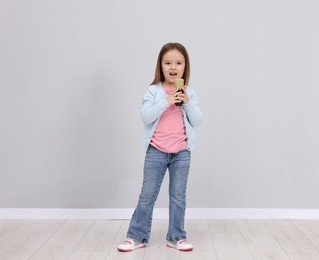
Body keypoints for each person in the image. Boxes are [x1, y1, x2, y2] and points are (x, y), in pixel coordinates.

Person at [117, 42, 202, 252]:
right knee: (147, 195)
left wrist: (187, 101)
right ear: (161, 66)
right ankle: (137, 235)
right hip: (156, 151)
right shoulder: (153, 91)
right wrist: (167, 100)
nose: (173, 67)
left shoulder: (189, 92)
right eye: (168, 63)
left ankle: (176, 236)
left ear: (185, 67)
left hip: (181, 153)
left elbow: (198, 121)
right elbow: (145, 117)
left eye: (179, 63)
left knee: (178, 196)